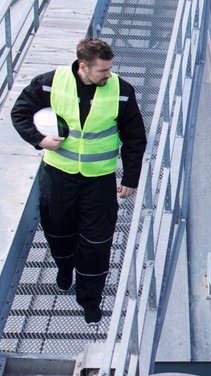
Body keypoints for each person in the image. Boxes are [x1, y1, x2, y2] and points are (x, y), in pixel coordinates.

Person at [11, 38, 146, 325]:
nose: (108, 74)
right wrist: (39, 140)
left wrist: (130, 176)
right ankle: (64, 268)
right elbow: (19, 112)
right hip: (58, 177)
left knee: (97, 244)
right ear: (83, 66)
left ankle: (90, 301)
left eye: (110, 69)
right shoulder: (50, 83)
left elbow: (135, 137)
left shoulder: (121, 91)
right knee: (58, 232)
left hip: (99, 181)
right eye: (102, 71)